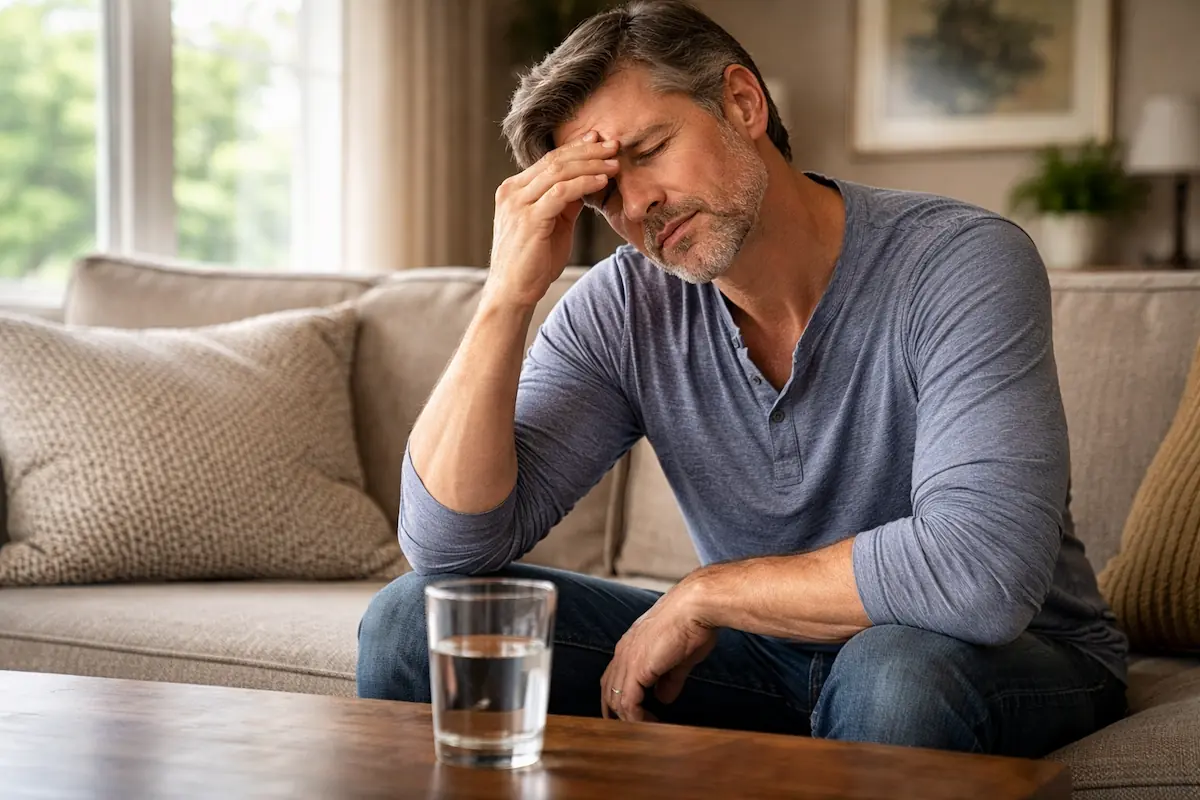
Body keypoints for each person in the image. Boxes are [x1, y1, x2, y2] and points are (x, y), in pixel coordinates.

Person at [357, 0, 1127, 755]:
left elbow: (979, 572)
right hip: (764, 658)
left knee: (892, 678)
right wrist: (505, 298)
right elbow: (448, 548)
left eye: (649, 149)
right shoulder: (626, 304)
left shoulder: (959, 263)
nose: (637, 203)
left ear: (743, 102)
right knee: (415, 622)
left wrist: (708, 592)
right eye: (602, 191)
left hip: (999, 656)